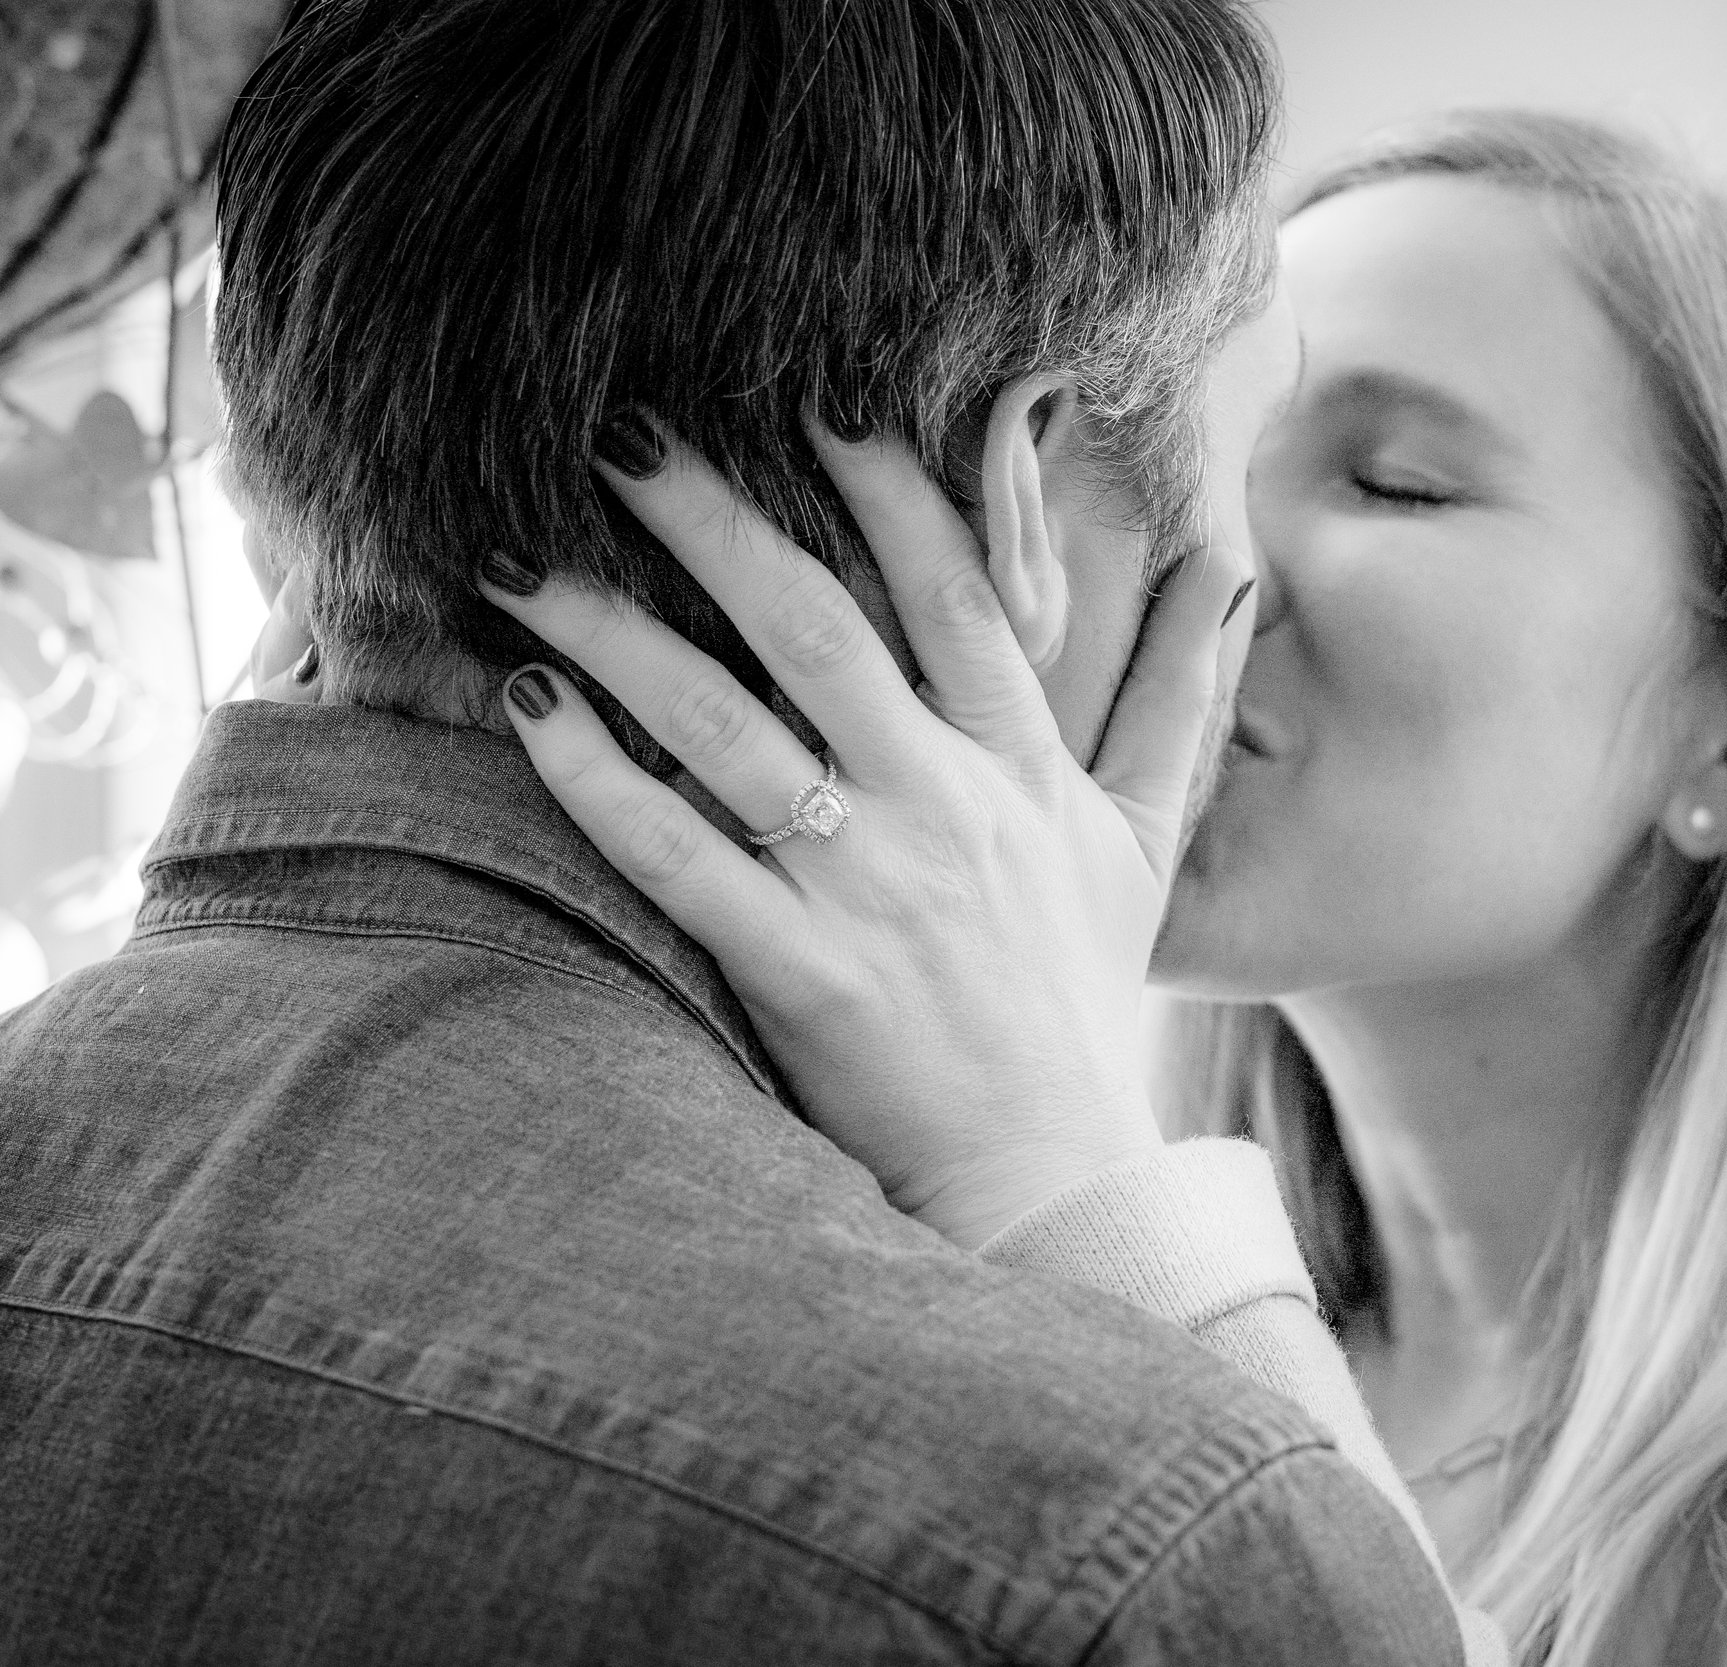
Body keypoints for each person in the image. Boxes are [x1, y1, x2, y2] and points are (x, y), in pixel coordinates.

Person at [468, 112, 1727, 1664]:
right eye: (1187, 456)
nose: (1199, 554)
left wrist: (1070, 1193)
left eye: (1390, 482)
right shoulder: (981, 1299)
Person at [0, 2, 1475, 1661]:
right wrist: (1080, 1190)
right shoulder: (1125, 1546)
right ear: (1025, 487)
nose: (1259, 579)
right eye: (1258, 436)